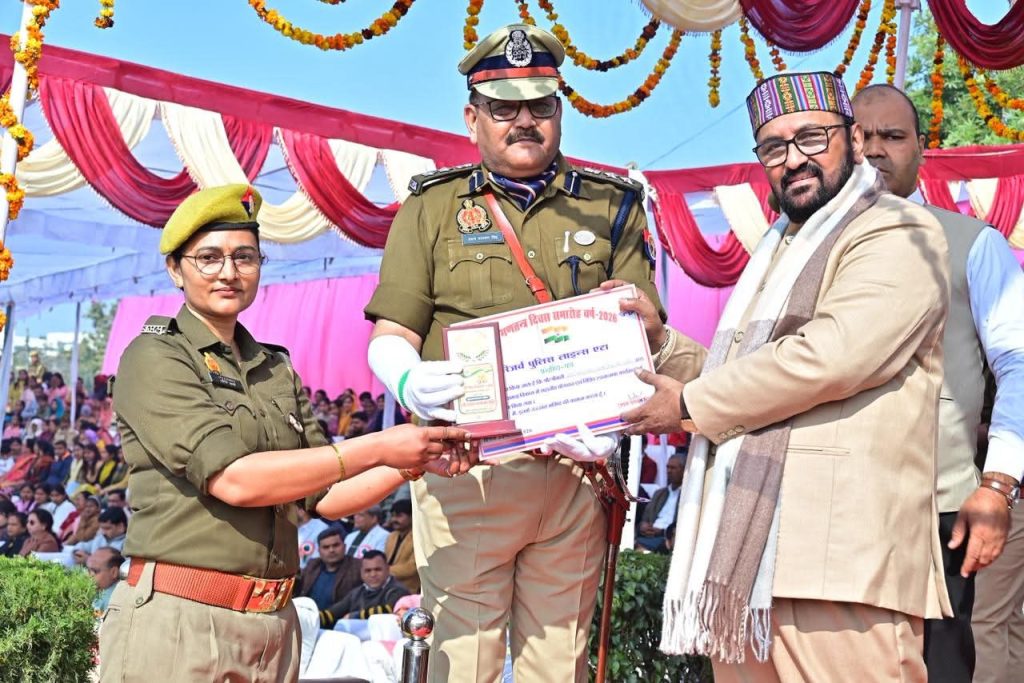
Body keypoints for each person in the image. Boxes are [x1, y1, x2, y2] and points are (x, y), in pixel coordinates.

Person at [363, 23, 682, 682]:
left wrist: (628, 367)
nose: (524, 121)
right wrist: (409, 380)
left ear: (559, 112)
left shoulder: (612, 206)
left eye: (540, 105)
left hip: (577, 473)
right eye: (504, 108)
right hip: (469, 470)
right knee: (463, 664)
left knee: (557, 666)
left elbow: (645, 328)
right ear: (472, 119)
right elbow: (391, 333)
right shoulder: (432, 208)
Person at [622, 71, 951, 681]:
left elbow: (832, 356)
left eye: (812, 137)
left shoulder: (899, 230)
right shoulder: (778, 250)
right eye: (774, 147)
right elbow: (743, 373)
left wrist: (691, 404)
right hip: (747, 561)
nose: (794, 158)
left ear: (854, 139)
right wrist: (660, 343)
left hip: (841, 557)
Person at [97, 184, 476, 683]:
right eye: (208, 258)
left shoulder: (273, 367)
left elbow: (326, 495)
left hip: (274, 623)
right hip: (183, 617)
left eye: (245, 257)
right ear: (175, 269)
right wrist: (380, 445)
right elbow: (236, 480)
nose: (228, 272)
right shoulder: (156, 356)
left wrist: (413, 459)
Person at [852, 83, 1024, 683]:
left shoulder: (973, 244)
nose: (875, 150)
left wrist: (998, 485)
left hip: (941, 509)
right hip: (838, 511)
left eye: (893, 136)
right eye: (861, 137)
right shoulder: (806, 245)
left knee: (945, 667)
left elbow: (1019, 365)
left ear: (922, 148)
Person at [324, 550, 410, 633]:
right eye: (368, 571)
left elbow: (388, 610)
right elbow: (332, 613)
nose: (373, 574)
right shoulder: (357, 592)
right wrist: (316, 617)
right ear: (361, 572)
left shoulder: (398, 590)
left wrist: (355, 616)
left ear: (387, 569)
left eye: (378, 569)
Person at [296, 528, 363, 614]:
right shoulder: (312, 565)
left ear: (345, 547)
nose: (331, 550)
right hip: (308, 616)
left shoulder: (358, 567)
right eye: (326, 547)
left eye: (336, 545)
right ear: (319, 551)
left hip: (340, 619)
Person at [635, 454, 684, 553]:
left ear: (683, 470)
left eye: (673, 468)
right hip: (650, 534)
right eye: (668, 467)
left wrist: (662, 531)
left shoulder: (686, 496)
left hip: (668, 538)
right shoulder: (659, 493)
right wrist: (643, 526)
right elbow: (645, 518)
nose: (669, 471)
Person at [384, 498, 418, 593]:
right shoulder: (391, 536)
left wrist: (384, 571)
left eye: (399, 516)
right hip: (387, 586)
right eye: (393, 516)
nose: (394, 520)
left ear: (411, 516)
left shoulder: (419, 537)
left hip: (409, 590)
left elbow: (412, 568)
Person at [88, 547, 124, 615]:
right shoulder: (100, 592)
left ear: (114, 572)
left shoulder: (111, 600)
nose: (88, 575)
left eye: (94, 571)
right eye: (88, 570)